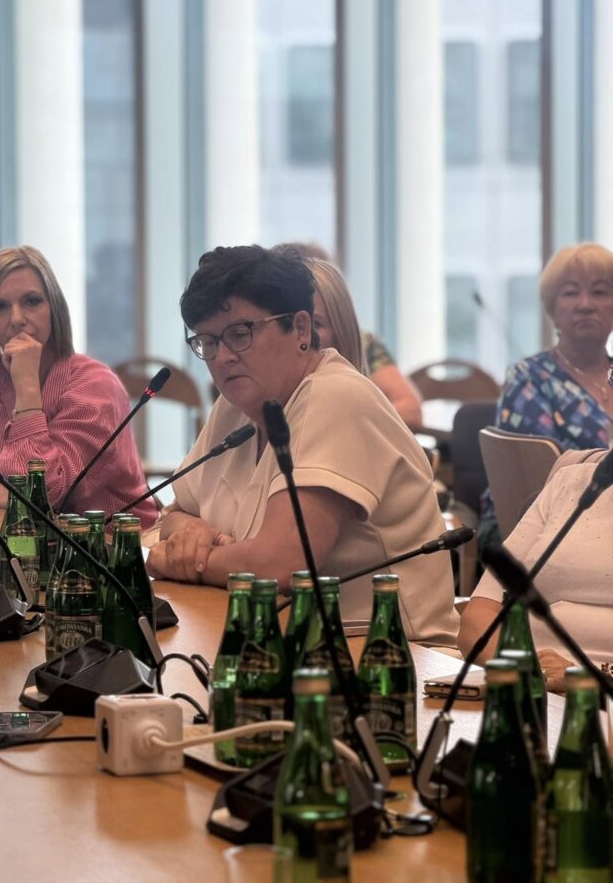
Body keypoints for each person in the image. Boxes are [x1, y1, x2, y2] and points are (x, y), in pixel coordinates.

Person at [146, 245, 457, 645]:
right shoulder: (235, 405)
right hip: (278, 640)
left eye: (240, 334)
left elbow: (280, 564)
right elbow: (173, 515)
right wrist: (195, 532)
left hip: (393, 656)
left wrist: (187, 561)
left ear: (301, 329)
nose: (222, 357)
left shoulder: (336, 397)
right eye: (208, 341)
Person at [0, 246, 156, 524]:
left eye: (31, 302)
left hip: (114, 542)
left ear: (54, 308)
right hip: (22, 537)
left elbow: (42, 494)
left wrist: (27, 387)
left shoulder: (97, 386)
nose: (16, 319)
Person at [478, 242, 613, 545]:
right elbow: (538, 481)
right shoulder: (528, 379)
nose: (585, 304)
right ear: (552, 308)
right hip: (529, 524)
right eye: (570, 292)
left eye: (600, 292)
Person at [459, 446, 613, 691]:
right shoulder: (572, 482)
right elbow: (479, 616)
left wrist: (589, 678)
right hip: (519, 680)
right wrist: (525, 672)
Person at [277, 242, 423, 429]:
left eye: (316, 324)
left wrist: (351, 422)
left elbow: (410, 408)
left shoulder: (364, 343)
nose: (301, 336)